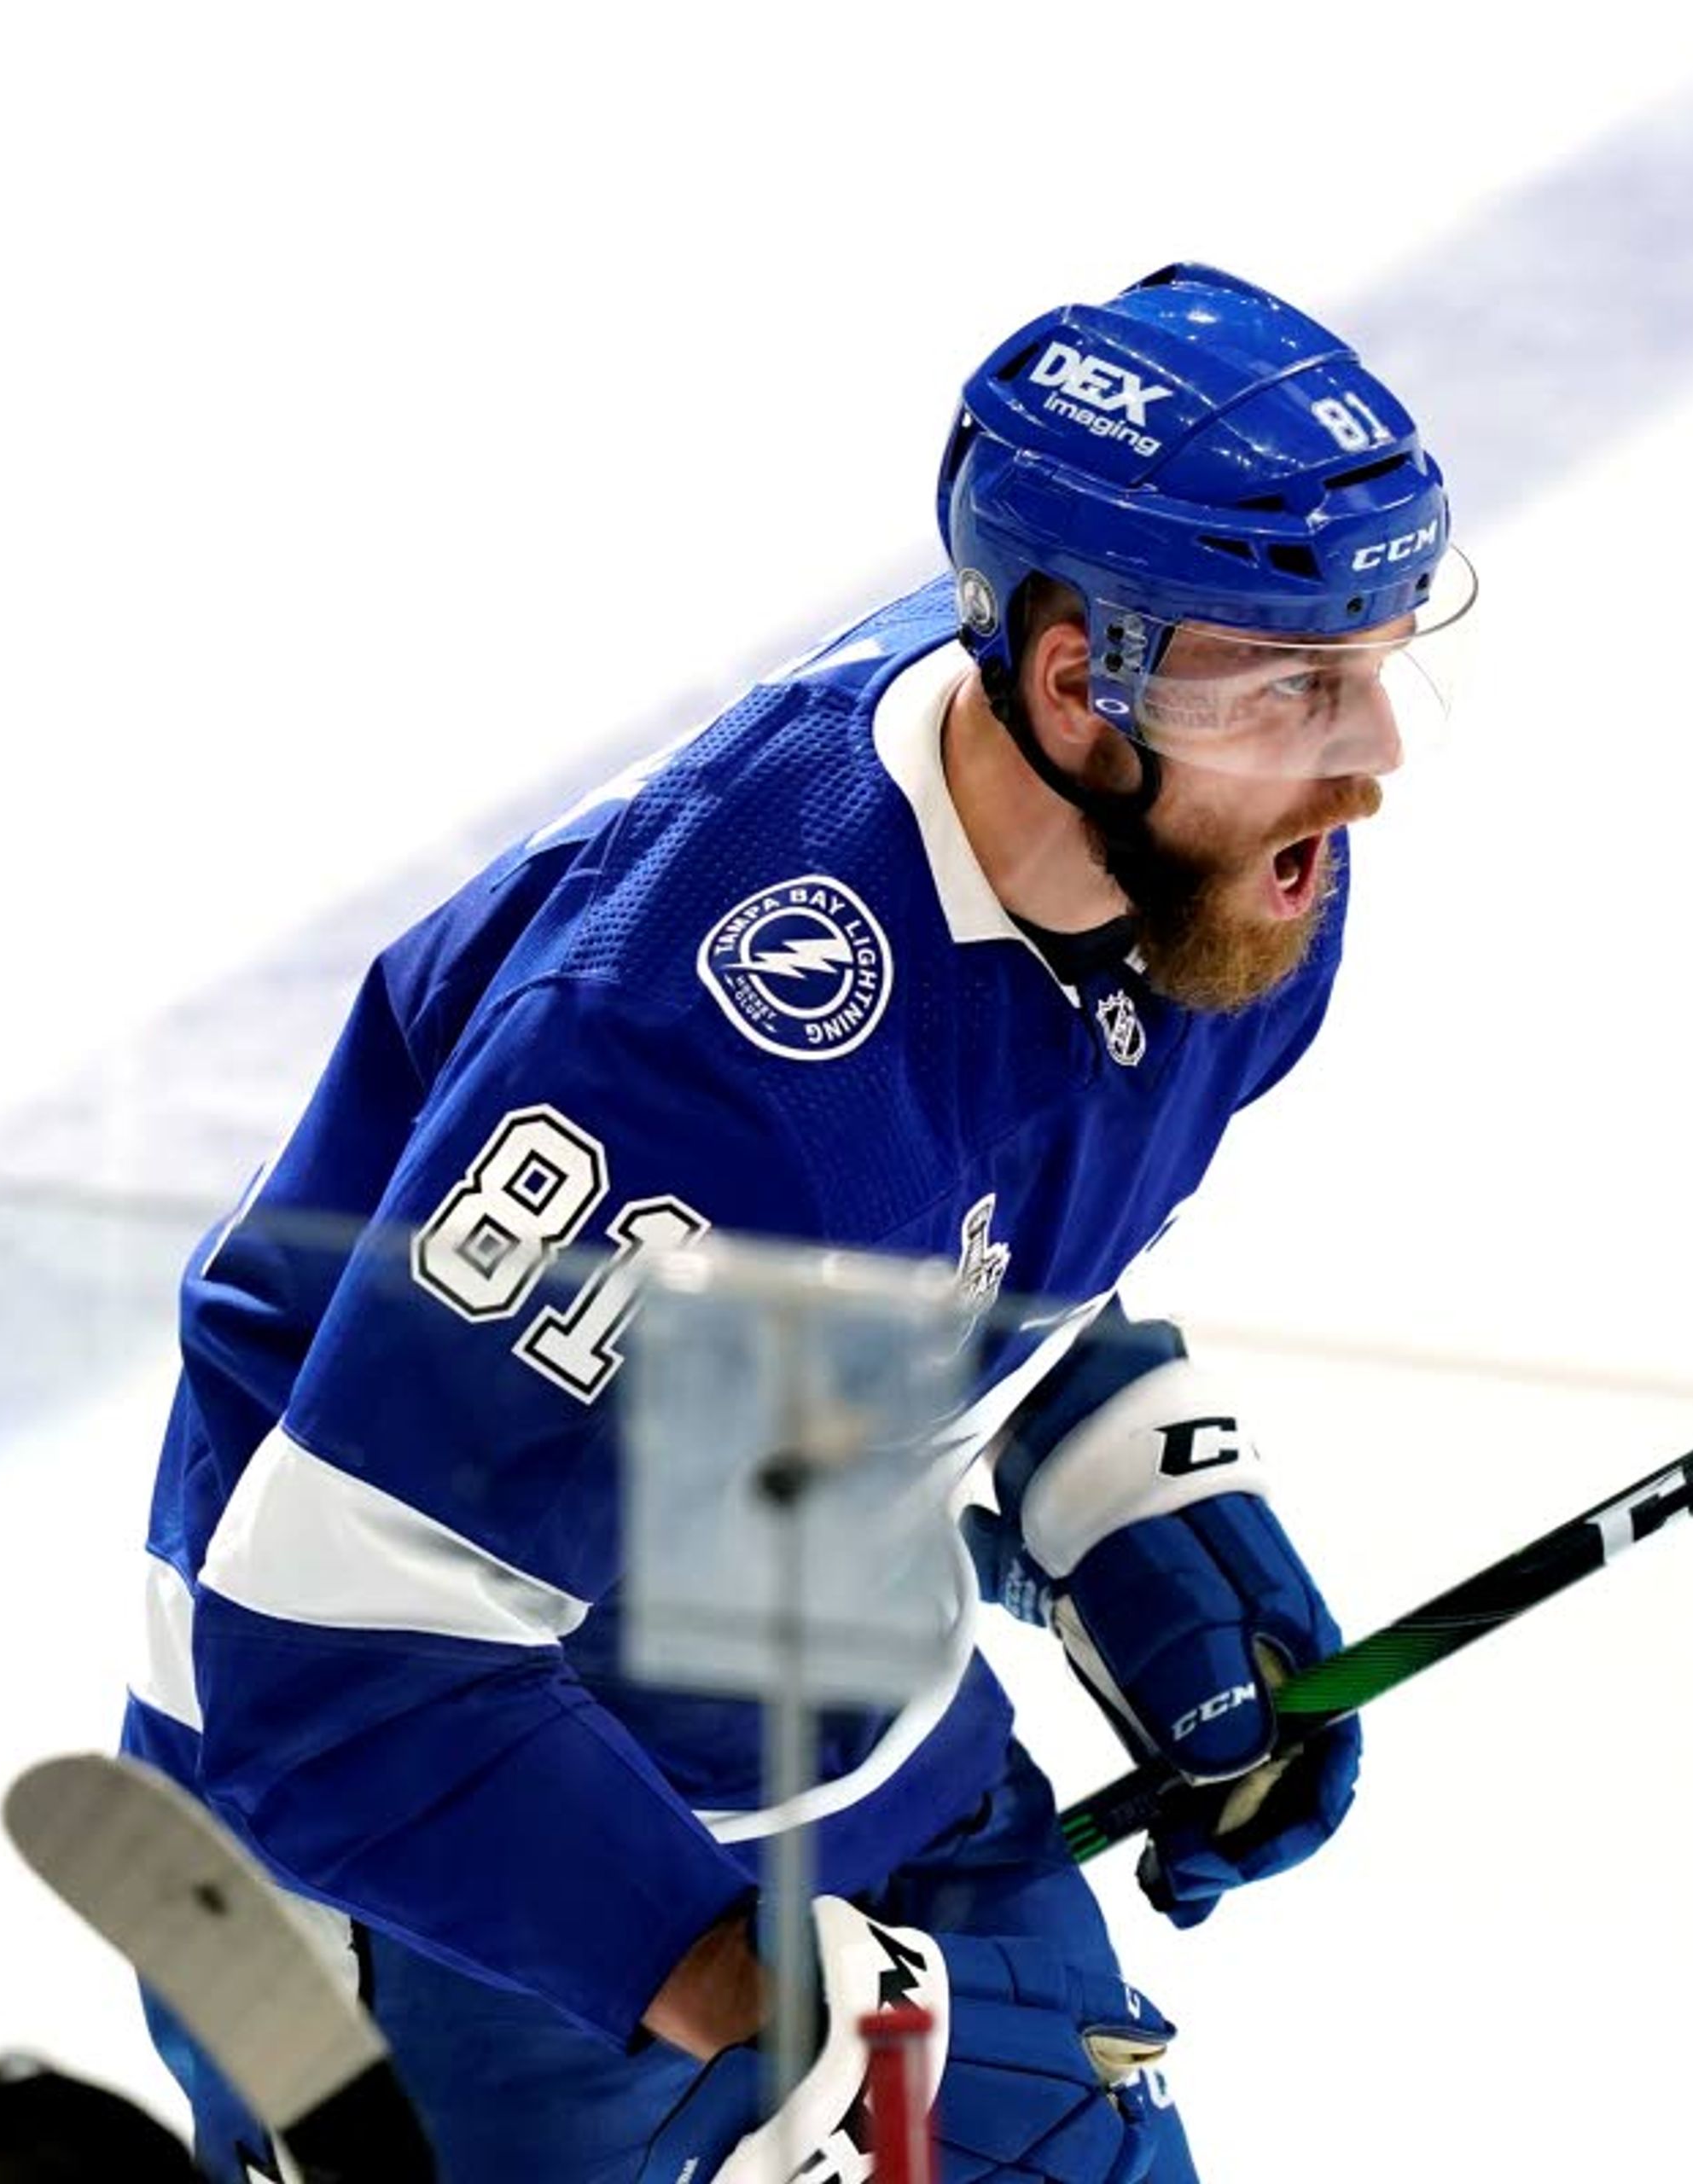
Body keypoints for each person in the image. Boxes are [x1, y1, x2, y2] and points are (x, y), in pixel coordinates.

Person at [118, 263, 1476, 2184]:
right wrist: (742, 1980)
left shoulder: (1228, 878)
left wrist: (1125, 1505)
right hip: (453, 1876)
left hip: (838, 1733)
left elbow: (948, 1240)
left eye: (1384, 657)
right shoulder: (680, 1055)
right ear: (1085, 682)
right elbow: (332, 1656)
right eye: (1296, 683)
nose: (1378, 759)